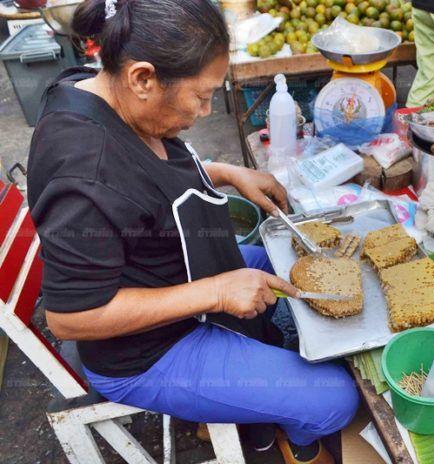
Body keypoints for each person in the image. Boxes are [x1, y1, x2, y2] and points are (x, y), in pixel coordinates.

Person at [26, 1, 358, 463]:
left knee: (292, 263)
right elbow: (70, 319)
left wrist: (223, 172)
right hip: (146, 352)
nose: (205, 112)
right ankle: (293, 441)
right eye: (200, 97)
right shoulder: (84, 173)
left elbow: (143, 174)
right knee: (335, 399)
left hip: (172, 272)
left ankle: (248, 395)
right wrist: (217, 293)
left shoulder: (102, 87)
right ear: (143, 78)